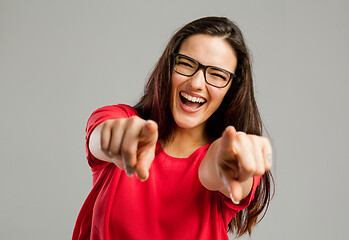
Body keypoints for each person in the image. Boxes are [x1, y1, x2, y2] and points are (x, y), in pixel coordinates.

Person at [73, 16, 274, 240]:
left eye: (217, 75)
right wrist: (113, 138)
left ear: (231, 89)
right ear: (168, 66)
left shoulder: (232, 152)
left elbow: (220, 173)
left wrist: (228, 164)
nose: (197, 83)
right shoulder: (121, 119)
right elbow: (102, 136)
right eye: (186, 64)